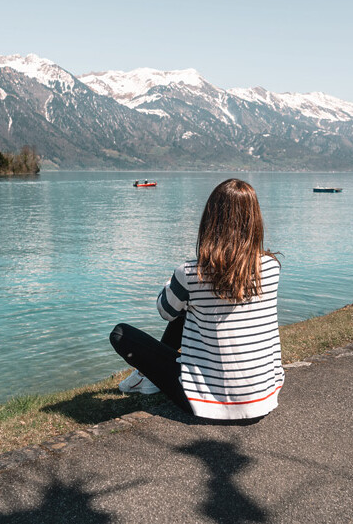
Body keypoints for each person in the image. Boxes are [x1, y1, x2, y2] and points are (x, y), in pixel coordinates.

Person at [109, 178, 283, 421]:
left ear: (211, 219)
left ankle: (147, 378)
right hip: (262, 398)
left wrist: (174, 284)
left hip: (205, 404)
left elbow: (165, 311)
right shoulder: (272, 267)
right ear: (254, 221)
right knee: (194, 308)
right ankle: (148, 378)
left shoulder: (191, 273)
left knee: (120, 334)